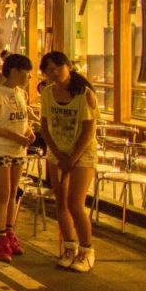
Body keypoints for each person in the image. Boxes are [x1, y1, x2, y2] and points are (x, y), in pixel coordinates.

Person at [40, 51, 99, 272]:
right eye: (48, 70)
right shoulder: (47, 93)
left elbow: (88, 131)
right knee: (61, 202)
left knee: (76, 203)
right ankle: (69, 247)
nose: (53, 73)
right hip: (57, 152)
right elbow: (45, 127)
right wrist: (57, 153)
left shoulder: (84, 94)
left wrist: (72, 158)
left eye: (56, 67)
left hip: (82, 154)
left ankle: (87, 250)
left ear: (68, 67)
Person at [0, 54, 34, 263]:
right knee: (3, 193)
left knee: (14, 192)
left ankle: (11, 231)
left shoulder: (21, 94)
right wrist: (18, 137)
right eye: (26, 74)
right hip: (1, 148)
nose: (29, 78)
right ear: (13, 71)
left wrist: (28, 132)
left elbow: (22, 121)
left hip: (18, 149)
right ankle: (0, 236)